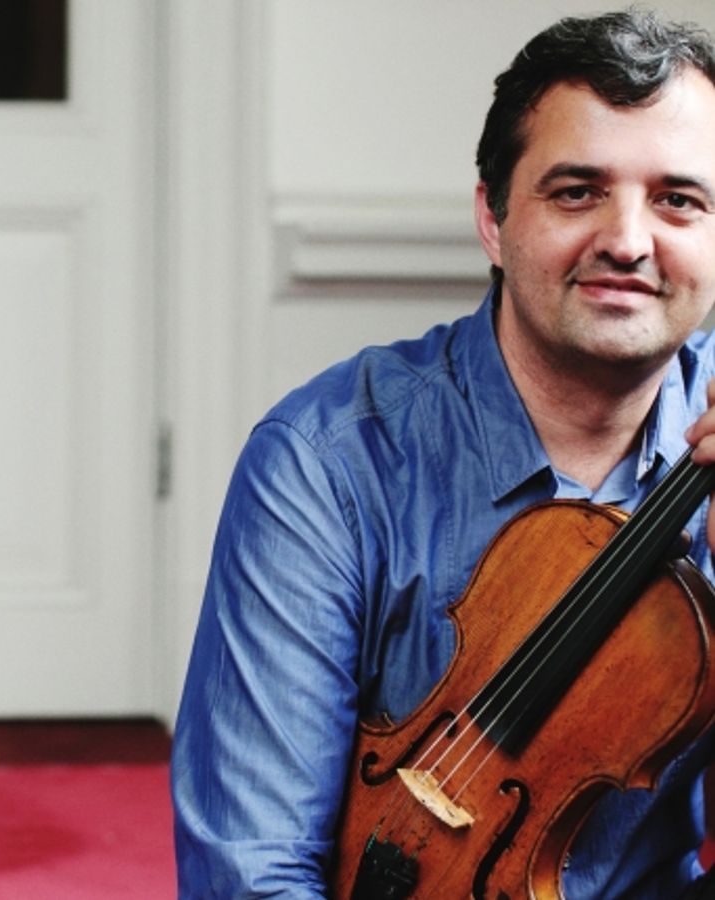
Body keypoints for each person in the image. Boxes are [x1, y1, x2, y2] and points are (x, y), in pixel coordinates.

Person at [171, 8, 715, 898]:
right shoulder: (323, 465)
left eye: (678, 200)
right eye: (576, 192)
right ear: (493, 219)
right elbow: (252, 868)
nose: (627, 241)